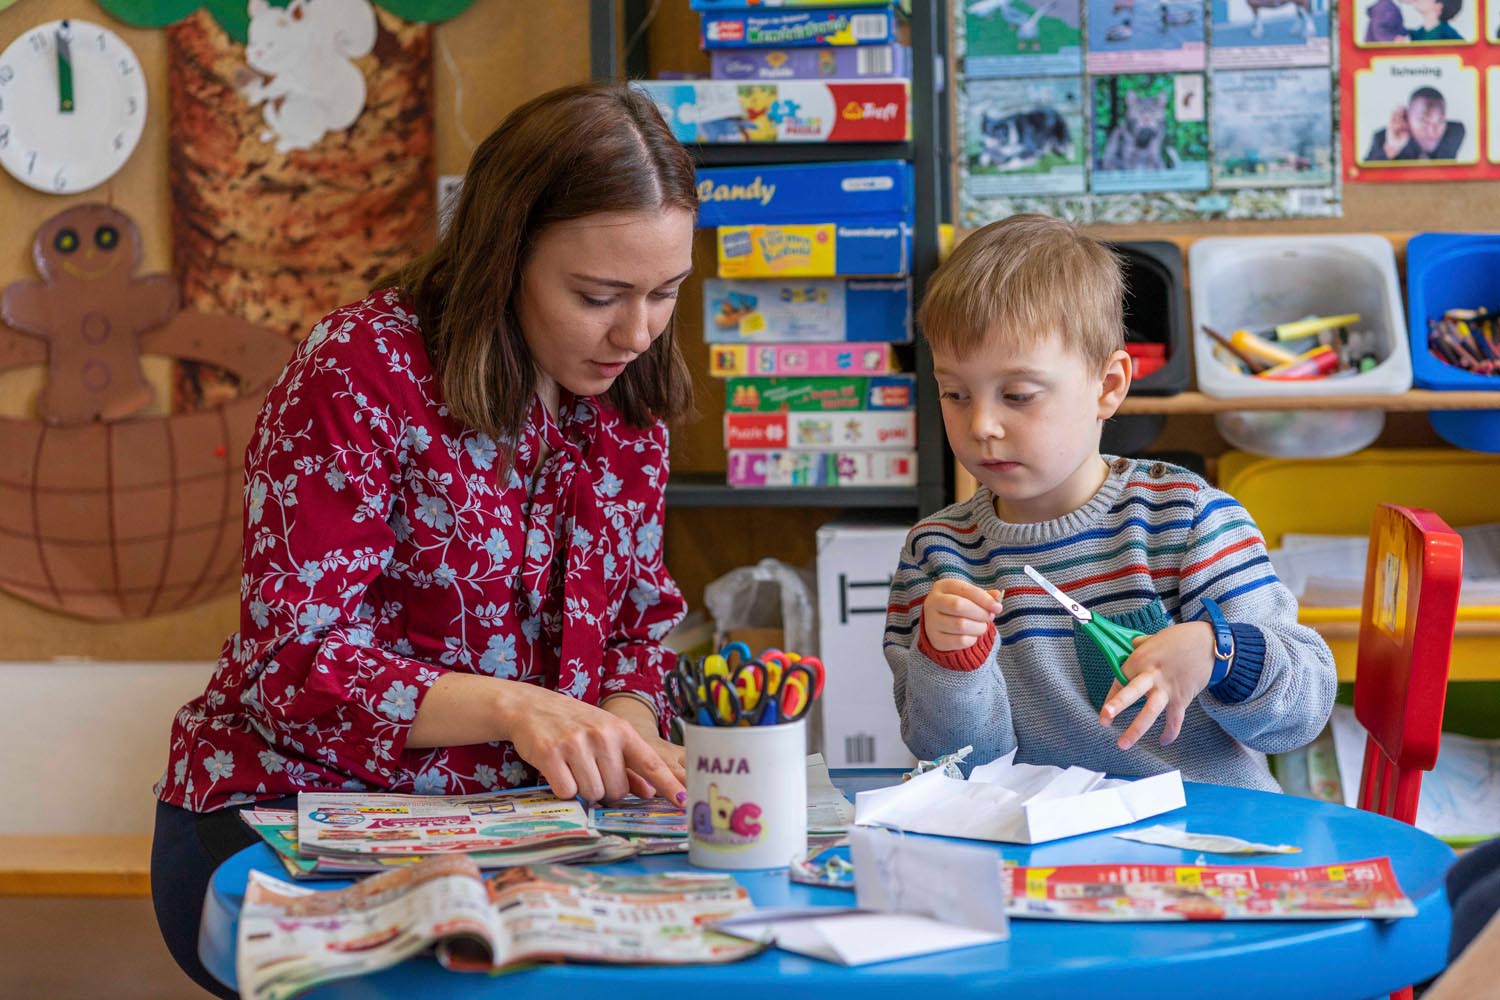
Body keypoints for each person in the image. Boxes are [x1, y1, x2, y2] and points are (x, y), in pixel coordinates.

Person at [150, 81, 698, 998]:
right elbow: (289, 664)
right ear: (506, 256)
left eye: (665, 293)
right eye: (599, 295)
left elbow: (639, 631)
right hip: (290, 806)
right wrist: (515, 707)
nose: (636, 332)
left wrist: (626, 728)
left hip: (525, 827)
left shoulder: (628, 398)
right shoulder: (360, 370)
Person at [882, 215, 1337, 792]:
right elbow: (960, 766)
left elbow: (1303, 712)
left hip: (1204, 840)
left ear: (1108, 386)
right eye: (955, 393)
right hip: (1039, 847)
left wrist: (1219, 654)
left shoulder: (1187, 519)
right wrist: (952, 663)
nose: (983, 424)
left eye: (1018, 394)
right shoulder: (937, 556)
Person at [1366, 86, 1467, 160]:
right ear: (1407, 117)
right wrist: (1391, 149)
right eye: (1423, 120)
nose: (1432, 131)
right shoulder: (1382, 139)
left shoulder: (1455, 132)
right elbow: (1364, 176)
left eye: (1440, 120)